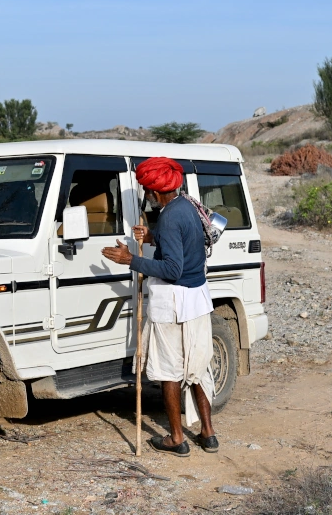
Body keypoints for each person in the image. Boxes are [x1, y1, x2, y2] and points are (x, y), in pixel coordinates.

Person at [101, 157, 218, 456]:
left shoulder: (168, 216)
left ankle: (176, 438)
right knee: (197, 367)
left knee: (170, 371)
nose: (146, 196)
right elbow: (183, 242)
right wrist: (153, 237)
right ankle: (208, 433)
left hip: (174, 303)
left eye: (146, 190)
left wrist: (131, 260)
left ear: (155, 192)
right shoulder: (186, 206)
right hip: (197, 300)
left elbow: (172, 269)